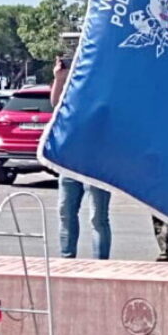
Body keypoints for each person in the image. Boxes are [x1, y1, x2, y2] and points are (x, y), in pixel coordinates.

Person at [51, 55, 112, 259]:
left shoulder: (104, 85)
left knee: (98, 217)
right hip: (70, 161)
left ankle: (100, 263)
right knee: (65, 213)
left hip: (97, 161)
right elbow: (55, 103)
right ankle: (67, 259)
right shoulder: (72, 87)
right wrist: (60, 78)